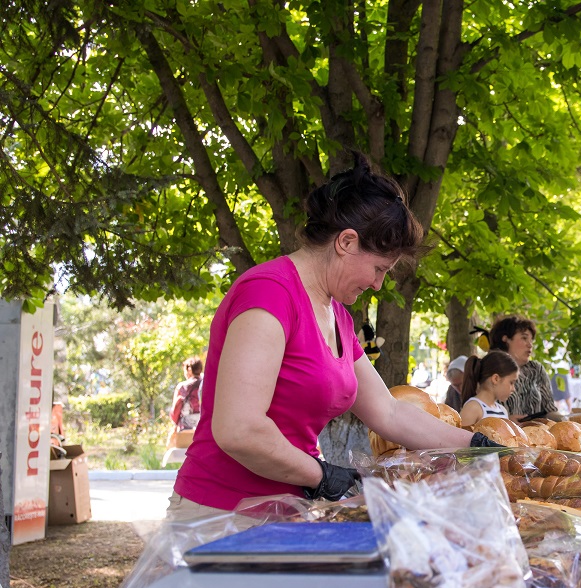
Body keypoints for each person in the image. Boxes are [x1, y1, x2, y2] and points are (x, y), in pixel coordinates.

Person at [169, 153, 501, 520]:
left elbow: (389, 412)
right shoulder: (269, 293)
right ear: (346, 241)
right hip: (219, 514)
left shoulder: (337, 315)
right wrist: (322, 475)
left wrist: (477, 446)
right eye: (379, 269)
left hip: (287, 512)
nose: (378, 284)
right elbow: (238, 429)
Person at [489, 315, 560, 421]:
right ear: (505, 339)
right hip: (501, 430)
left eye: (531, 340)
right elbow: (479, 411)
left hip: (538, 430)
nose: (530, 345)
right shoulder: (488, 370)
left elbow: (550, 410)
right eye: (524, 338)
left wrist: (567, 420)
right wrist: (506, 420)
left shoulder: (536, 369)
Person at [459, 351, 520, 426]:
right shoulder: (472, 408)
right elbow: (460, 434)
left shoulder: (503, 411)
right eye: (511, 382)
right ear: (496, 379)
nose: (513, 389)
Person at [167, 357, 204, 447]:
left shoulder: (182, 387)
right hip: (205, 428)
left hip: (186, 430)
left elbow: (176, 411)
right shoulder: (207, 384)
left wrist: (175, 422)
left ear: (189, 370)